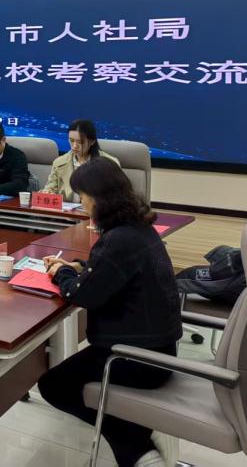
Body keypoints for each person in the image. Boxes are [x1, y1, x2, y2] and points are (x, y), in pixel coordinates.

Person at [37, 158, 181, 467]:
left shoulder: (117, 240)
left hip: (135, 358)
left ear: (99, 198)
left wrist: (62, 274)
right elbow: (111, 274)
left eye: (83, 196)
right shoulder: (139, 228)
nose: (81, 203)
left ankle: (137, 447)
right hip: (160, 350)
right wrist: (79, 267)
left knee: (53, 386)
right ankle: (141, 437)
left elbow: (82, 295)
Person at [42, 119, 119, 202]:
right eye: (71, 140)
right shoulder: (59, 162)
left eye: (80, 142)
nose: (74, 146)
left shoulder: (110, 163)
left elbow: (116, 195)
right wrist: (48, 192)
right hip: (66, 209)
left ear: (92, 141)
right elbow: (50, 187)